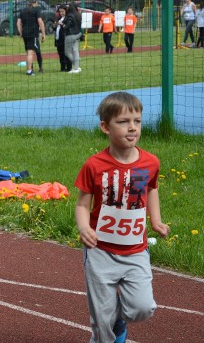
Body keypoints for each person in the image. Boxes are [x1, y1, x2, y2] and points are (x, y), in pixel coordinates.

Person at [74, 91, 170, 343]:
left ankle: (119, 316)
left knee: (142, 308)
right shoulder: (94, 165)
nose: (132, 128)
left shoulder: (150, 162)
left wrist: (156, 220)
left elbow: (151, 189)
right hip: (100, 250)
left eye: (137, 121)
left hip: (135, 249)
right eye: (123, 122)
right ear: (105, 127)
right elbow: (83, 204)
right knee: (101, 320)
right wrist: (84, 228)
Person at [17, 0, 46, 75]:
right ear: (35, 3)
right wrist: (43, 34)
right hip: (33, 34)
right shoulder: (36, 9)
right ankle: (29, 71)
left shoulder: (22, 11)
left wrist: (20, 32)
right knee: (32, 52)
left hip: (25, 34)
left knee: (28, 52)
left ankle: (32, 69)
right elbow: (40, 22)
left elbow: (18, 23)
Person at [63, 3, 82, 74]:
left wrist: (64, 26)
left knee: (67, 52)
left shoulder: (70, 15)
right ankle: (77, 68)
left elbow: (67, 25)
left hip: (70, 35)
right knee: (75, 50)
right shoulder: (78, 15)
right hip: (78, 34)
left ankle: (76, 66)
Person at [55, 5, 70, 71]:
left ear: (66, 11)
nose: (61, 13)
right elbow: (55, 28)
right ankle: (62, 67)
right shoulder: (59, 18)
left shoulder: (68, 18)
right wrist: (54, 25)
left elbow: (67, 27)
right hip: (58, 39)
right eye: (60, 11)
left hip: (65, 39)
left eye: (62, 11)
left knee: (66, 54)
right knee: (60, 54)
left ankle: (69, 67)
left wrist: (61, 24)